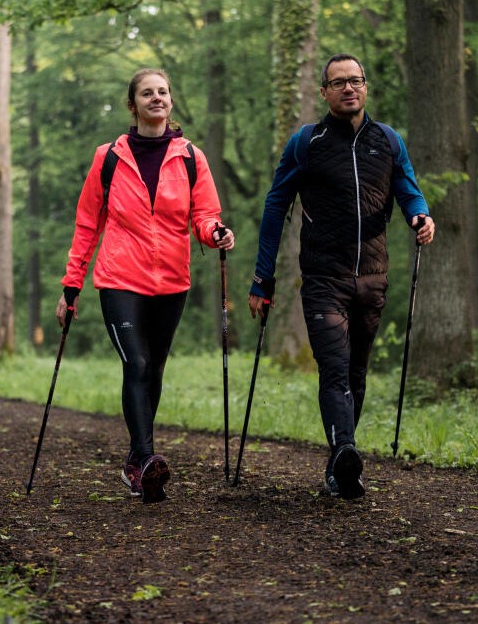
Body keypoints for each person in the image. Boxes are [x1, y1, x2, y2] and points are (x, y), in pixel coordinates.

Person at [248, 53, 435, 500]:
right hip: (323, 278)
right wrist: (262, 277)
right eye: (339, 82)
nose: (349, 88)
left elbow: (408, 190)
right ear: (325, 92)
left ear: (365, 87)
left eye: (356, 81)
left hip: (373, 277)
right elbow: (276, 207)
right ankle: (344, 453)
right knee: (334, 369)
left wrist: (420, 216)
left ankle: (341, 460)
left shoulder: (388, 141)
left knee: (356, 372)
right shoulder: (306, 142)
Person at [56, 68, 234, 504]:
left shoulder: (191, 156)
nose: (157, 98)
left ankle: (138, 462)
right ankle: (145, 460)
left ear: (171, 102)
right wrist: (71, 285)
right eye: (147, 93)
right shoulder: (110, 158)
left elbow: (203, 214)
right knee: (136, 363)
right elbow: (87, 223)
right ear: (132, 105)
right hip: (119, 278)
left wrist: (215, 233)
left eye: (163, 92)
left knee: (153, 368)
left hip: (172, 280)